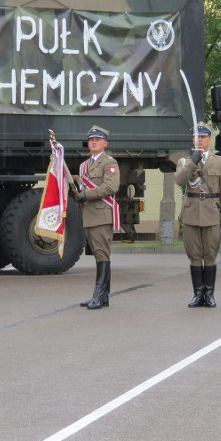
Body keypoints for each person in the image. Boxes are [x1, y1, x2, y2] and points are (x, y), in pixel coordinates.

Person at [175, 122, 221, 308]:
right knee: (194, 255)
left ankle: (210, 293)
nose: (200, 140)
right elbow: (180, 180)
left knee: (209, 254)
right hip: (191, 213)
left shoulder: (219, 162)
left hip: (212, 213)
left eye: (203, 137)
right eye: (197, 137)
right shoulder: (184, 161)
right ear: (193, 139)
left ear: (209, 139)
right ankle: (198, 293)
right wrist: (193, 161)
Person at [77, 125, 120, 310]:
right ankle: (103, 296)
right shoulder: (84, 165)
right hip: (88, 214)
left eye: (98, 140)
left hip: (102, 214)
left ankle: (99, 294)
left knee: (102, 254)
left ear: (105, 143)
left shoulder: (109, 163)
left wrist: (87, 195)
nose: (94, 142)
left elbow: (110, 187)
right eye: (91, 140)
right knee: (97, 254)